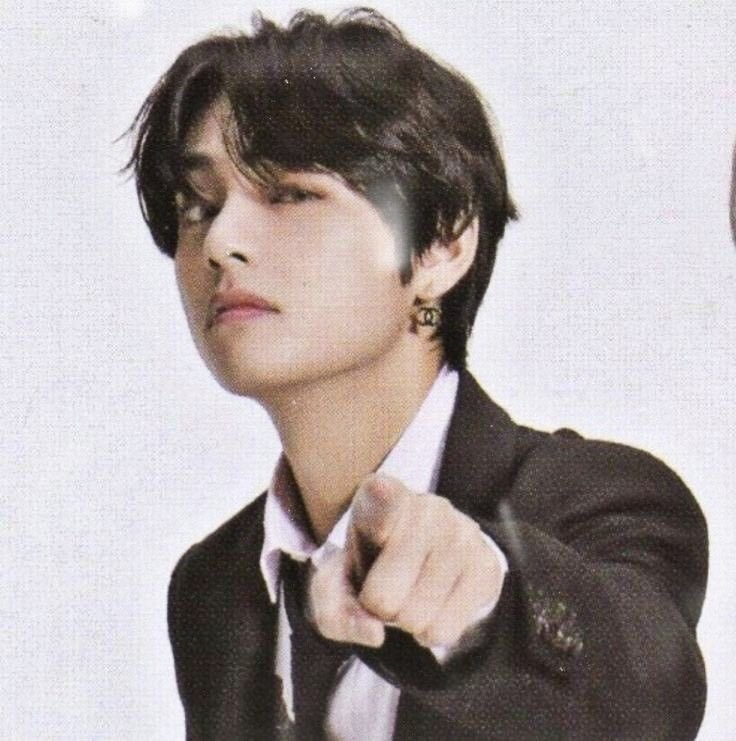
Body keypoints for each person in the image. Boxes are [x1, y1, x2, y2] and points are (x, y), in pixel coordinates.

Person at [128, 8, 707, 740]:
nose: (221, 240)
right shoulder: (212, 586)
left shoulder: (602, 499)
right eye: (197, 205)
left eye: (290, 193)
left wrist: (485, 606)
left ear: (442, 243)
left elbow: (651, 696)